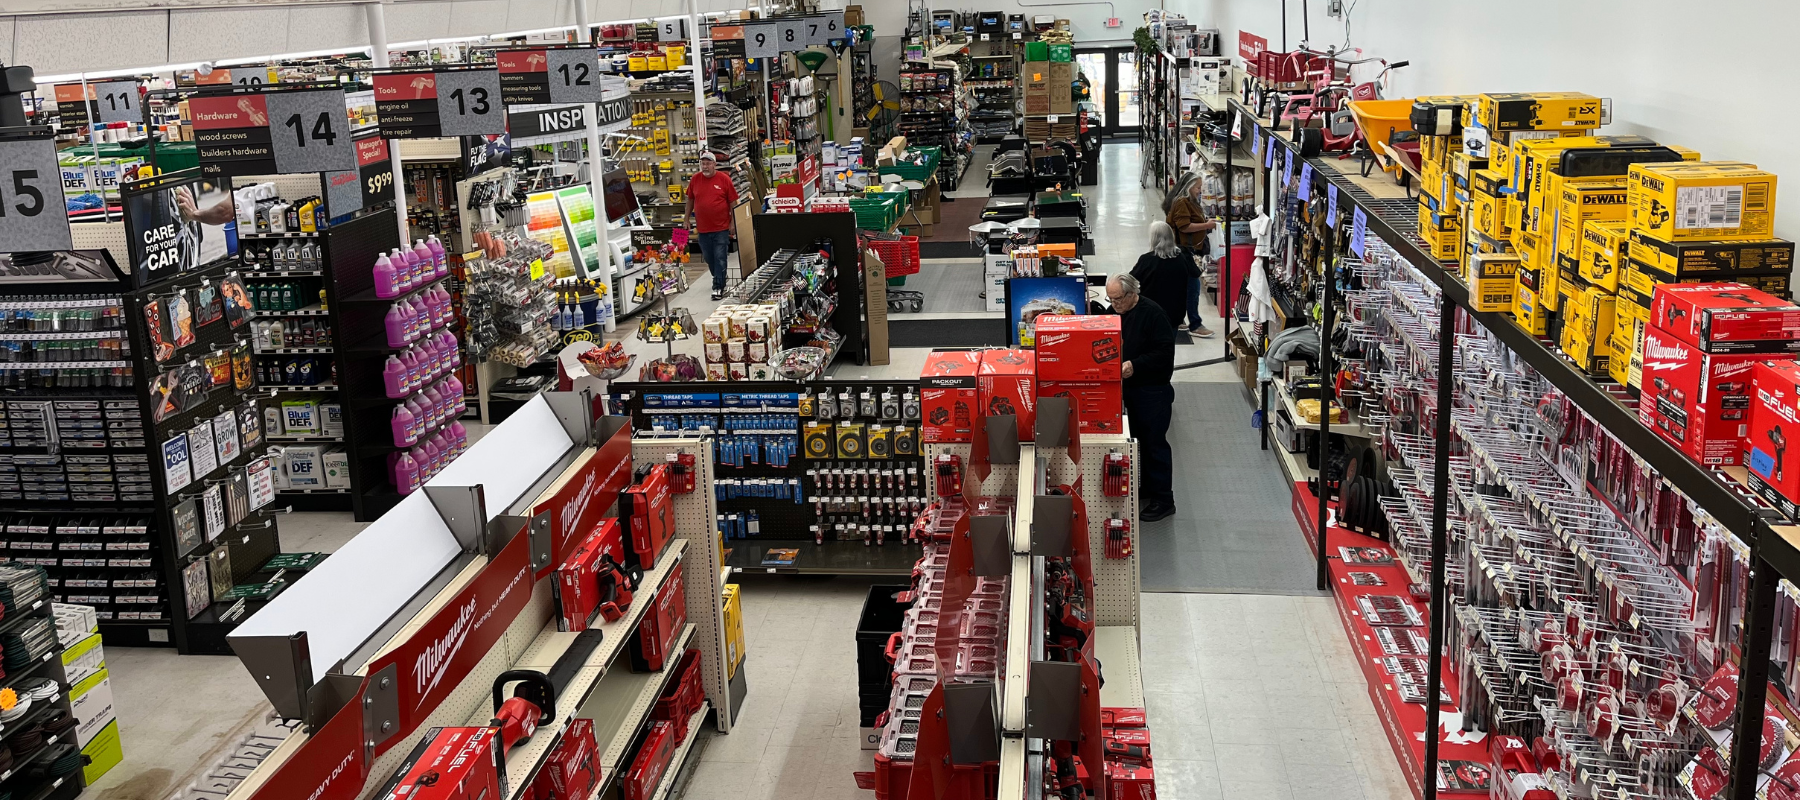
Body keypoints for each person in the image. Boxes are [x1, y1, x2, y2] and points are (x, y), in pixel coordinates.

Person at [1106, 273, 1178, 522]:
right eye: (1110, 299)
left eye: (1118, 300)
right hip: (1130, 389)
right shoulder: (1114, 311)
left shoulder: (1154, 314)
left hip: (1152, 390)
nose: (1114, 305)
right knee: (1138, 440)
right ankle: (1148, 486)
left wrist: (1135, 365)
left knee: (1154, 442)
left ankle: (1164, 499)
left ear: (1131, 293)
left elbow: (1164, 353)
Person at [1164, 174, 1217, 336]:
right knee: (1193, 287)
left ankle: (1178, 319)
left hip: (1187, 249)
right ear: (1188, 188)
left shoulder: (1189, 201)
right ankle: (1195, 324)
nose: (1200, 191)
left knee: (1182, 287)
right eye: (1197, 188)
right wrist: (1206, 225)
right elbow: (1184, 226)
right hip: (1184, 250)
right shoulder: (1182, 202)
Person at [1129, 221, 1201, 337]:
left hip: (1151, 314)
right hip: (1175, 314)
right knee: (1168, 347)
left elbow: (1130, 281)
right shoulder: (1182, 259)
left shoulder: (1147, 260)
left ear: (1154, 239)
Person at [684, 152, 739, 301]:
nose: (705, 166)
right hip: (703, 229)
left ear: (715, 164)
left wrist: (733, 222)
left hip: (721, 228)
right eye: (703, 163)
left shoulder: (724, 179)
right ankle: (720, 276)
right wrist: (686, 219)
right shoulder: (695, 179)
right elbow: (690, 200)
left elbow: (733, 202)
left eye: (708, 163)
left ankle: (718, 287)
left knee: (720, 257)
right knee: (709, 258)